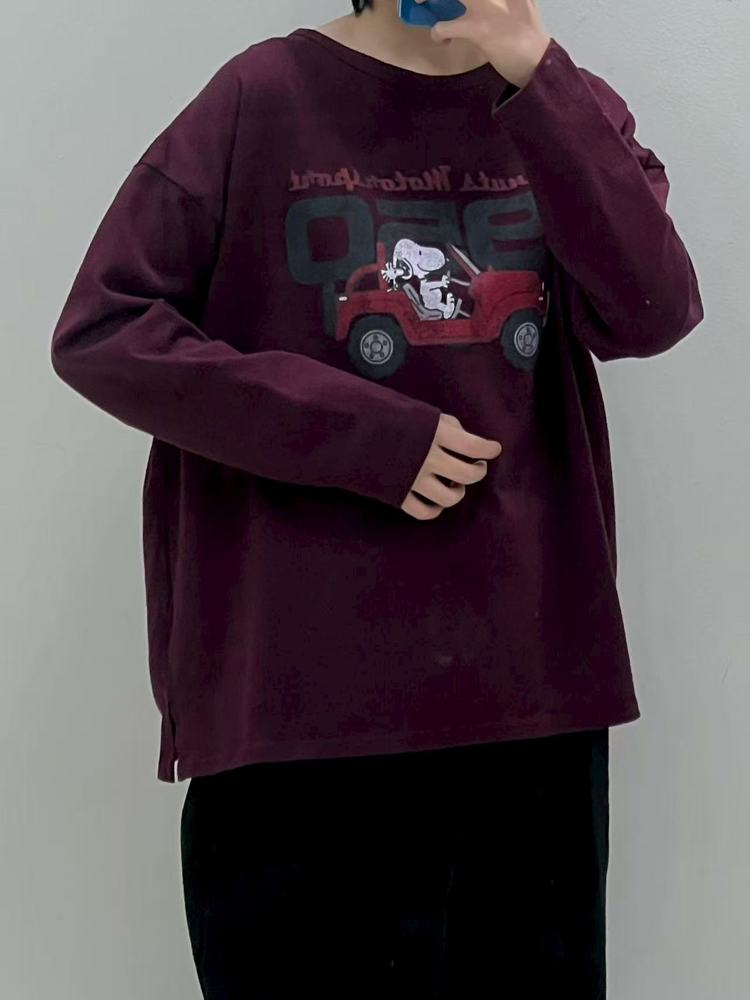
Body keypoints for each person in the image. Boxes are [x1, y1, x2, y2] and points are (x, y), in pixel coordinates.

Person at [49, 1, 704, 997]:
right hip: (298, 717)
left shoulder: (566, 106)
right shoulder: (261, 98)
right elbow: (106, 329)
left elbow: (650, 310)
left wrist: (537, 77)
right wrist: (363, 435)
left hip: (527, 710)